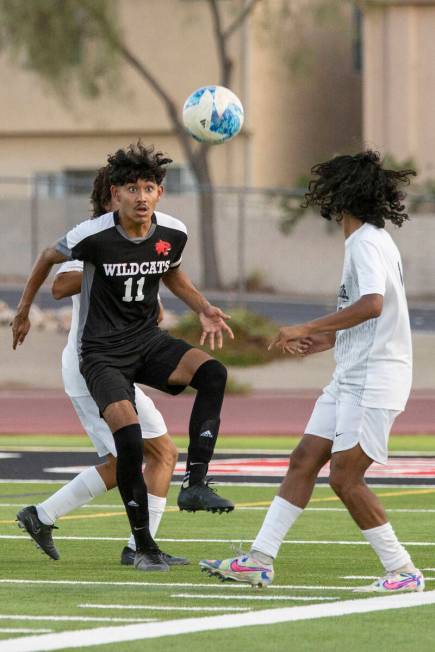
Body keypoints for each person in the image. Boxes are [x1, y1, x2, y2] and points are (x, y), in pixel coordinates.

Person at [200, 150, 425, 593]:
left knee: (344, 476)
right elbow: (372, 316)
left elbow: (374, 304)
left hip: (374, 379)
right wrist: (328, 340)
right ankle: (259, 560)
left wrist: (308, 325)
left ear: (340, 195)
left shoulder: (365, 242)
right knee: (304, 459)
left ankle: (403, 571)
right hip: (351, 374)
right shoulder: (371, 239)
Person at [12, 143, 234, 572]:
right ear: (112, 197)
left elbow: (166, 267)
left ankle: (57, 519)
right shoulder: (91, 238)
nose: (139, 197)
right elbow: (58, 284)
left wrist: (173, 290)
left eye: (147, 188)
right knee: (131, 452)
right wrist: (113, 268)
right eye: (129, 190)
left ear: (158, 193)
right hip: (90, 361)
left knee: (160, 452)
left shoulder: (163, 233)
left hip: (138, 348)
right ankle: (127, 542)